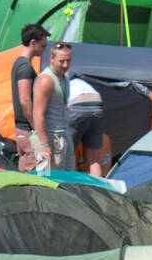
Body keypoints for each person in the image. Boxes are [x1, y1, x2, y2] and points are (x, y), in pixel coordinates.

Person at [11, 24, 48, 174]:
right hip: (27, 129)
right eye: (43, 45)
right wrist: (36, 128)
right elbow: (25, 99)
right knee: (32, 173)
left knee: (30, 170)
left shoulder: (22, 64)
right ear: (33, 42)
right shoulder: (24, 66)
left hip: (25, 129)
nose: (44, 49)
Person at [31, 40, 72, 173]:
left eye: (68, 61)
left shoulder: (65, 77)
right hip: (50, 137)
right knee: (48, 181)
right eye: (62, 61)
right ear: (52, 58)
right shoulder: (46, 80)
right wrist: (44, 144)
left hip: (64, 135)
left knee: (67, 180)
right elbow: (37, 113)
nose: (65, 65)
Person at [66, 77, 106, 177]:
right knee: (94, 159)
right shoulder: (83, 82)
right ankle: (96, 187)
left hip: (77, 103)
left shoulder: (60, 82)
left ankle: (66, 186)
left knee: (65, 154)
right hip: (97, 103)